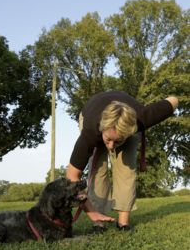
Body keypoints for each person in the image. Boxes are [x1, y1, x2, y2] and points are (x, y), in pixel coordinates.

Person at [66, 90, 179, 231]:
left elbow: (173, 99)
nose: (111, 146)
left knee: (127, 168)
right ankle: (98, 224)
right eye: (108, 139)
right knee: (98, 171)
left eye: (117, 141)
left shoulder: (143, 118)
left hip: (129, 120)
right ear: (102, 130)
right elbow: (72, 177)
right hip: (90, 113)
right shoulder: (89, 133)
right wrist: (93, 214)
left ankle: (123, 224)